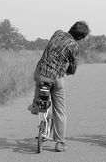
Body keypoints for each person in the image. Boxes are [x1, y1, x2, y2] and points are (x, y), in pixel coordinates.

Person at [27, 21, 90, 152]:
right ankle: (60, 143)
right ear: (80, 37)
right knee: (60, 110)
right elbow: (72, 68)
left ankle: (35, 105)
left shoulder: (57, 33)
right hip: (56, 79)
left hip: (40, 73)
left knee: (39, 81)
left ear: (71, 28)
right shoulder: (74, 46)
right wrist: (67, 71)